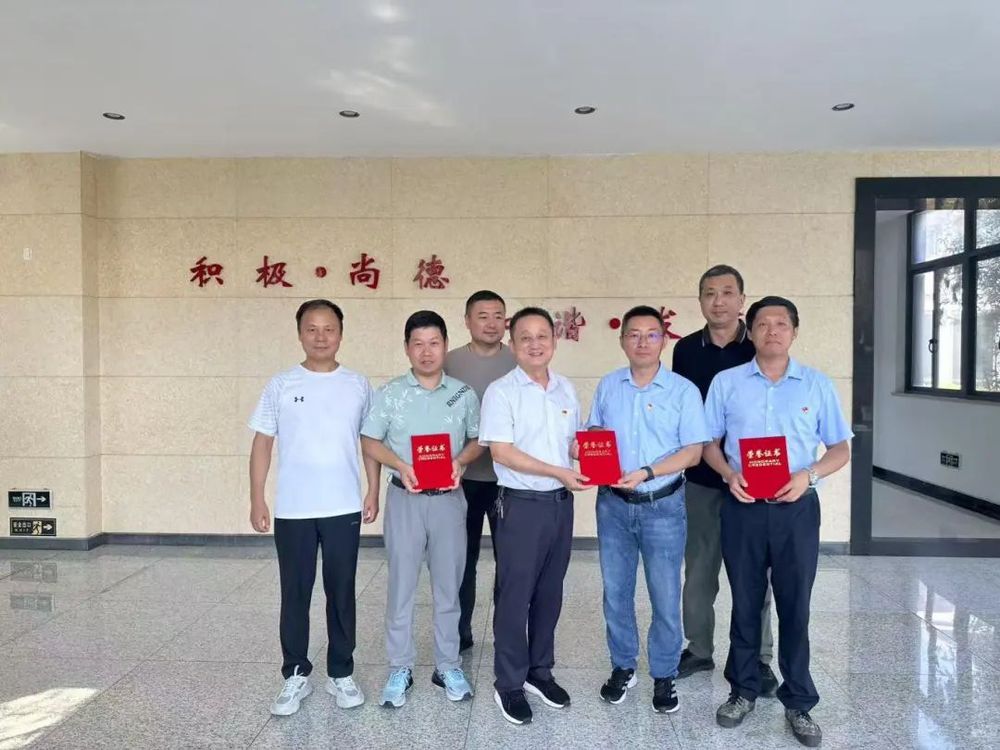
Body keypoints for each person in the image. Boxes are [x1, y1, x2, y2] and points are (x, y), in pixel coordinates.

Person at [704, 296, 852, 748]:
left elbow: (840, 448)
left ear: (794, 332)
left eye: (781, 323)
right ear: (749, 332)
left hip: (797, 510)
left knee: (795, 605)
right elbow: (708, 444)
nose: (772, 331)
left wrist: (809, 475)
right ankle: (743, 690)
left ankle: (799, 701)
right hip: (743, 507)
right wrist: (729, 474)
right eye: (763, 324)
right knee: (745, 602)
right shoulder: (727, 383)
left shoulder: (816, 384)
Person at [249, 299, 380, 716]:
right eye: (312, 329)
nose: (321, 337)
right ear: (300, 334)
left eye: (329, 329)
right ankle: (295, 673)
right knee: (295, 592)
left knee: (341, 591)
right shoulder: (281, 384)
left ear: (341, 334)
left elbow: (370, 442)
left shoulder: (358, 385)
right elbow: (262, 442)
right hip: (294, 509)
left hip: (342, 506)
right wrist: (257, 497)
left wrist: (373, 490)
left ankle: (341, 672)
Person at [588, 305, 709, 714]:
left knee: (665, 594)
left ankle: (664, 673)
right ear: (622, 340)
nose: (642, 342)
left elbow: (693, 452)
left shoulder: (683, 391)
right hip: (613, 506)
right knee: (616, 592)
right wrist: (587, 447)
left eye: (651, 334)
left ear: (663, 340)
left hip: (663, 505)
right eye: (634, 334)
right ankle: (623, 666)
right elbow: (594, 430)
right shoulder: (609, 385)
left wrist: (647, 471)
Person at [360, 310, 482, 708]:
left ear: (445, 346)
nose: (426, 352)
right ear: (407, 348)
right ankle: (400, 667)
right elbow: (370, 441)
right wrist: (400, 465)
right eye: (418, 344)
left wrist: (460, 461)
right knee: (401, 586)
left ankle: (448, 664)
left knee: (449, 586)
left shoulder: (463, 394)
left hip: (448, 501)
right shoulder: (390, 393)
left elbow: (478, 440)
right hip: (405, 500)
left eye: (434, 343)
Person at [479, 306, 589, 725]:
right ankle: (508, 682)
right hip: (520, 505)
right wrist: (558, 470)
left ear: (554, 341)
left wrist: (582, 452)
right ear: (513, 345)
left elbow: (570, 443)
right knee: (515, 595)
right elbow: (502, 452)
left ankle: (539, 672)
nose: (535, 344)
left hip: (560, 505)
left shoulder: (565, 389)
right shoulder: (501, 391)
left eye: (542, 335)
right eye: (525, 337)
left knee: (549, 592)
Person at [671, 264, 778, 695]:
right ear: (700, 300)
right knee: (699, 570)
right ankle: (698, 648)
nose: (719, 302)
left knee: (756, 575)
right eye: (710, 293)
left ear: (742, 300)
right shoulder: (684, 350)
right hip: (701, 478)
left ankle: (760, 658)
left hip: (753, 482)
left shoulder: (758, 346)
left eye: (728, 293)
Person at [444, 290, 516, 652]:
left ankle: (508, 633)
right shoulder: (449, 362)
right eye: (482, 316)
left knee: (511, 562)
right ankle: (460, 633)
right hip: (462, 479)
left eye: (498, 315)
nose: (491, 323)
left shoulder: (520, 360)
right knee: (462, 560)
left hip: (510, 480)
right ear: (467, 321)